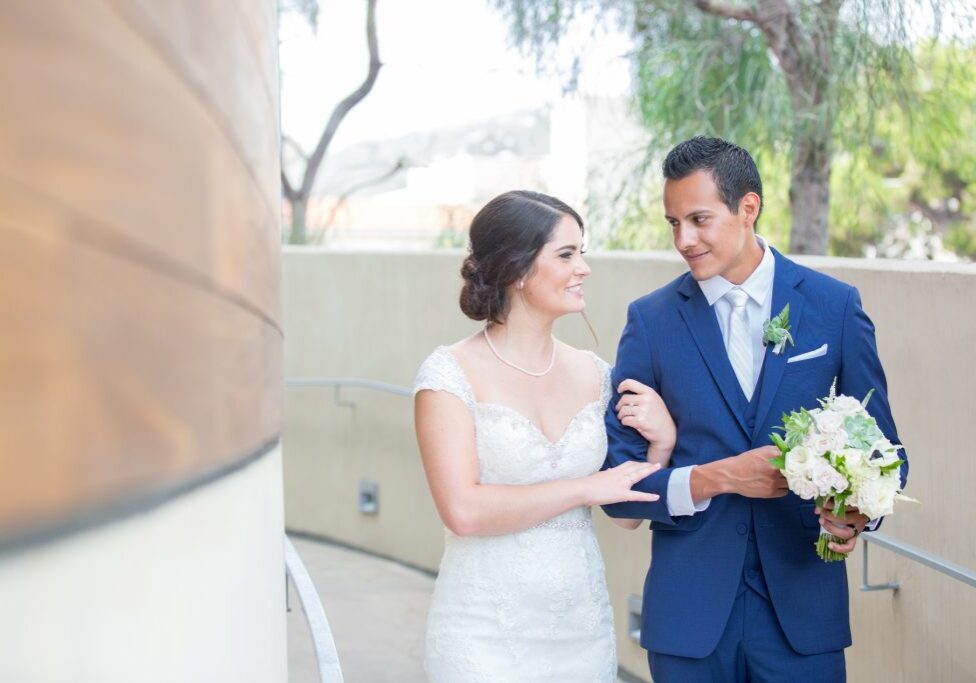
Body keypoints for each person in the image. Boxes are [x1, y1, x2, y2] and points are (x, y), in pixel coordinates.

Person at [603, 137, 908, 682]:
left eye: (698, 219)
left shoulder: (834, 307)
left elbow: (887, 452)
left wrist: (859, 512)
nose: (683, 240)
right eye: (673, 222)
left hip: (803, 613)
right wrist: (716, 478)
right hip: (689, 617)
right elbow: (616, 485)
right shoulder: (649, 322)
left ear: (748, 208)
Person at [413, 190, 674, 681]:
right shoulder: (449, 375)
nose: (583, 268)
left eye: (583, 252)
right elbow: (463, 512)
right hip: (482, 632)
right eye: (566, 254)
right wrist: (582, 488)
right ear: (518, 270)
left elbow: (624, 518)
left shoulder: (597, 376)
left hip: (582, 631)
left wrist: (660, 443)